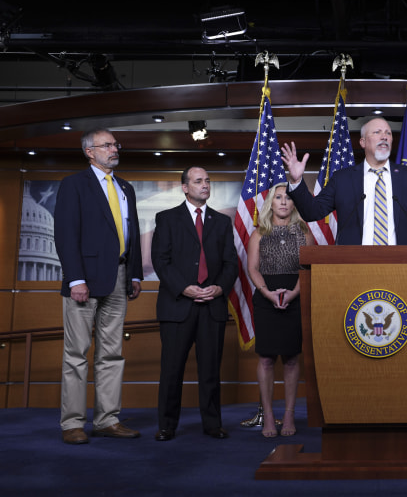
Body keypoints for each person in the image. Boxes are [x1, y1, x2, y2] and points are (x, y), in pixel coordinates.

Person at [54, 127, 143, 445]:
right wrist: (75, 279)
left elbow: (130, 233)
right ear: (89, 152)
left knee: (111, 354)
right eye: (106, 145)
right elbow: (65, 234)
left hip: (119, 278)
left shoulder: (125, 188)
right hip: (85, 281)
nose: (114, 149)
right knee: (76, 354)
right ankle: (72, 424)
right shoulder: (73, 185)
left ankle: (107, 420)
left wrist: (134, 274)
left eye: (115, 144)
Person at [280, 117, 407, 245]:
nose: (384, 136)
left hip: (402, 265)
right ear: (362, 142)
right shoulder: (342, 179)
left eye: (388, 133)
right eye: (377, 132)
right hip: (353, 265)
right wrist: (296, 181)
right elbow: (312, 212)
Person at [151, 166, 237, 441]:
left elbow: (230, 263)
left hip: (212, 306)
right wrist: (184, 288)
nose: (205, 185)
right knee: (172, 370)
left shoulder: (222, 222)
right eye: (198, 181)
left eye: (208, 180)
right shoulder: (166, 219)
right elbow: (160, 261)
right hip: (178, 306)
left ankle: (212, 424)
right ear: (185, 187)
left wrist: (220, 287)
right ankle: (166, 425)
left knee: (211, 369)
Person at [246, 184, 314, 437]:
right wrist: (267, 293)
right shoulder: (259, 233)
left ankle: (288, 415)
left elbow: (308, 269)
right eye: (278, 198)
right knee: (265, 358)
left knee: (292, 358)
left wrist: (294, 293)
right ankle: (269, 416)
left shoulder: (304, 233)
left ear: (295, 203)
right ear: (270, 204)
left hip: (295, 295)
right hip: (266, 296)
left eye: (288, 198)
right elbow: (252, 268)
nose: (284, 202)